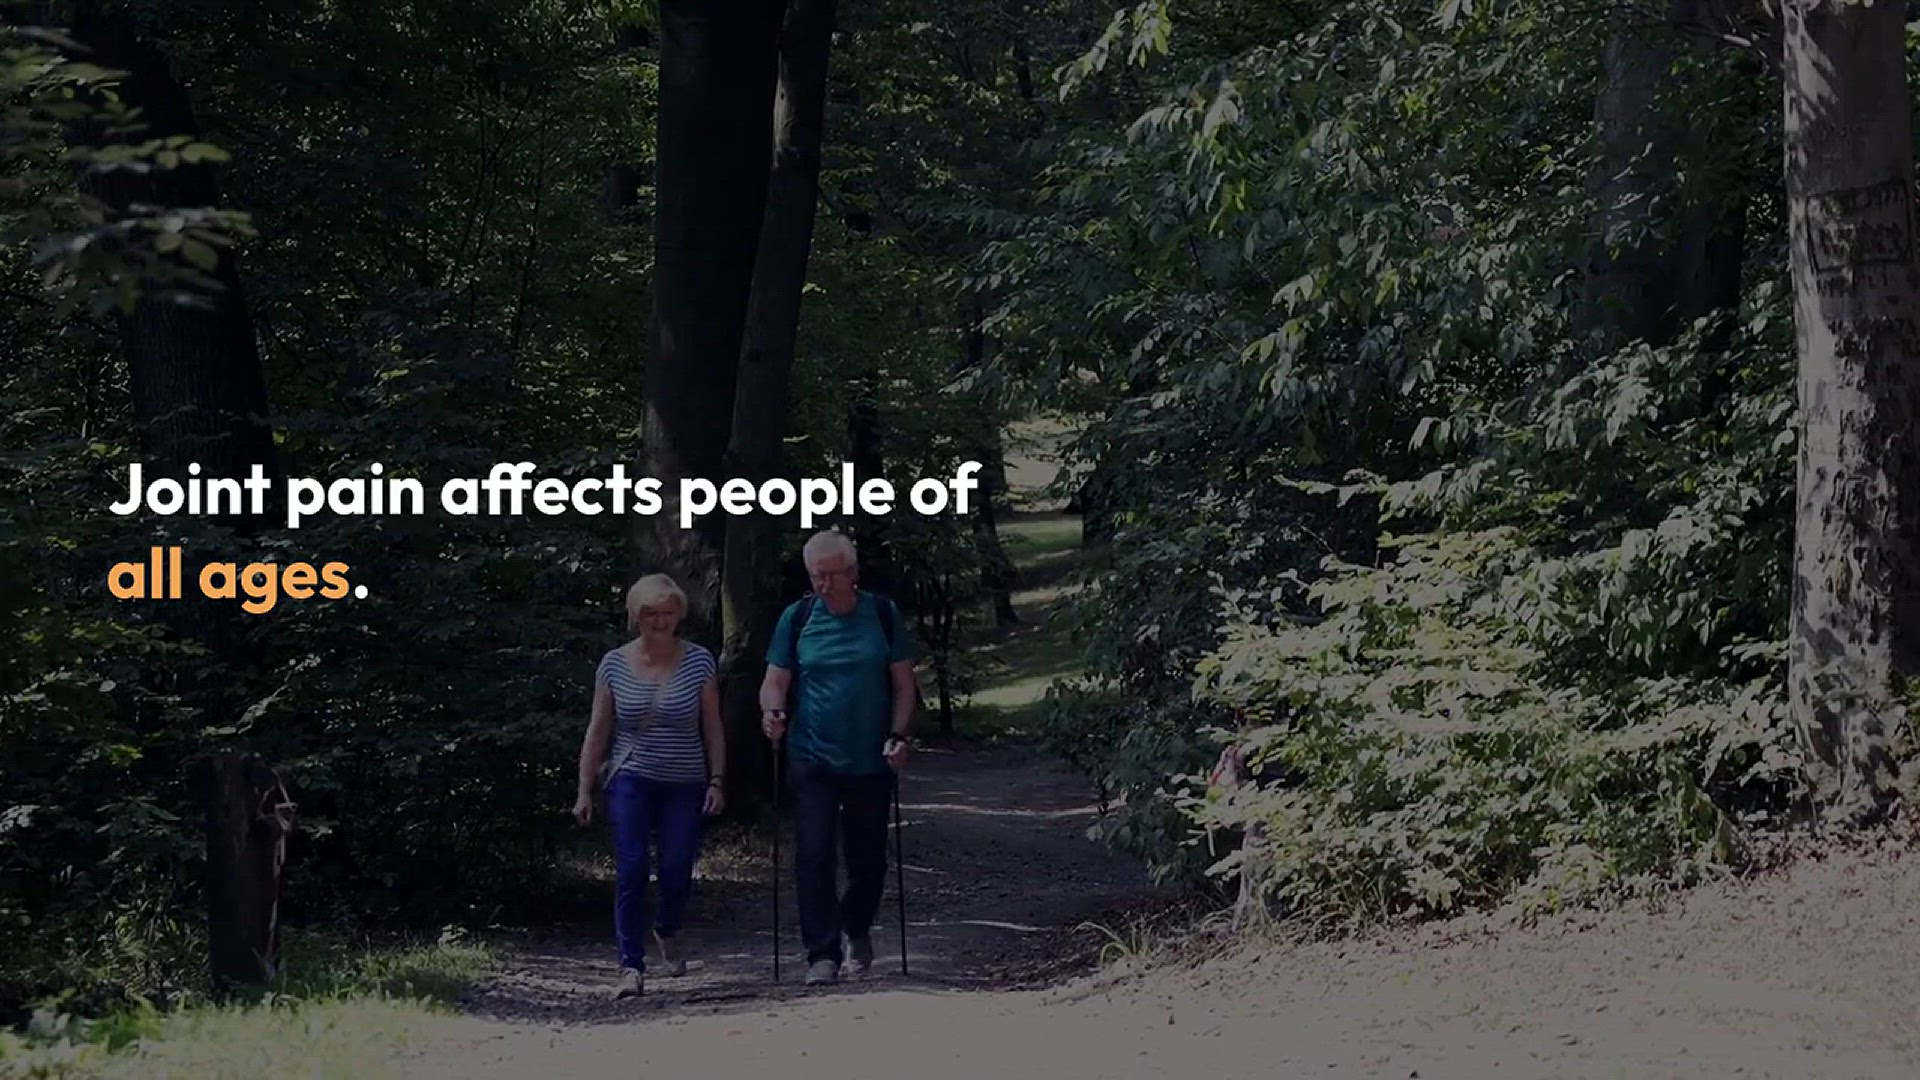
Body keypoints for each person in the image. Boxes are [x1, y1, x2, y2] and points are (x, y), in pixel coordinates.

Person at [760, 530, 919, 986]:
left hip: (872, 757)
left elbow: (904, 685)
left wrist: (899, 735)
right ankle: (822, 954)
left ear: (853, 573)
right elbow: (775, 680)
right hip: (812, 755)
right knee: (813, 855)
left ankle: (856, 925)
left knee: (868, 860)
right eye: (816, 576)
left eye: (831, 576)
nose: (823, 585)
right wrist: (772, 712)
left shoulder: (882, 614)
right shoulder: (798, 617)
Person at [573, 573, 726, 999]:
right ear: (635, 617)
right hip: (630, 778)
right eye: (651, 614)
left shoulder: (699, 662)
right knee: (632, 866)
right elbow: (598, 729)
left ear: (680, 615)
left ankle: (667, 927)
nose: (660, 621)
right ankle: (630, 966)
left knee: (677, 866)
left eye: (668, 613)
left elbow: (713, 726)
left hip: (685, 780)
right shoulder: (614, 664)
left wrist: (717, 779)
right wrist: (584, 788)